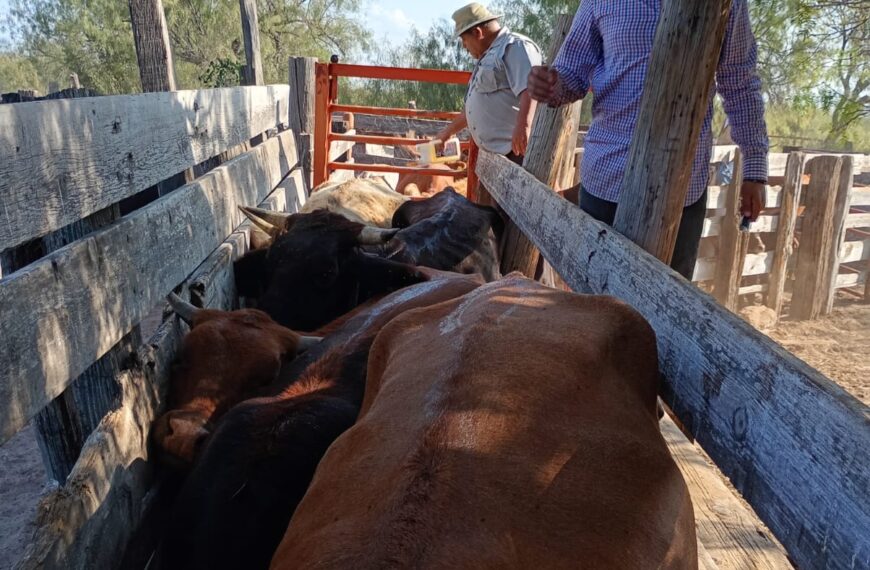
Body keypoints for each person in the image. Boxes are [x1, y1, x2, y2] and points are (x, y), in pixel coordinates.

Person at [527, 0, 769, 280]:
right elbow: (570, 74)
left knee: (669, 299)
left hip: (682, 190)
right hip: (606, 182)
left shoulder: (725, 3)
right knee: (596, 298)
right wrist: (550, 85)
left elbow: (739, 81)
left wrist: (755, 168)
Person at [433, 3, 543, 186]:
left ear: (477, 32)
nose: (464, 46)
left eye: (464, 40)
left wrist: (524, 125)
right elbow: (473, 107)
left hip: (517, 153)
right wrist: (447, 132)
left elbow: (531, 87)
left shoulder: (515, 46)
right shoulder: (489, 55)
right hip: (498, 155)